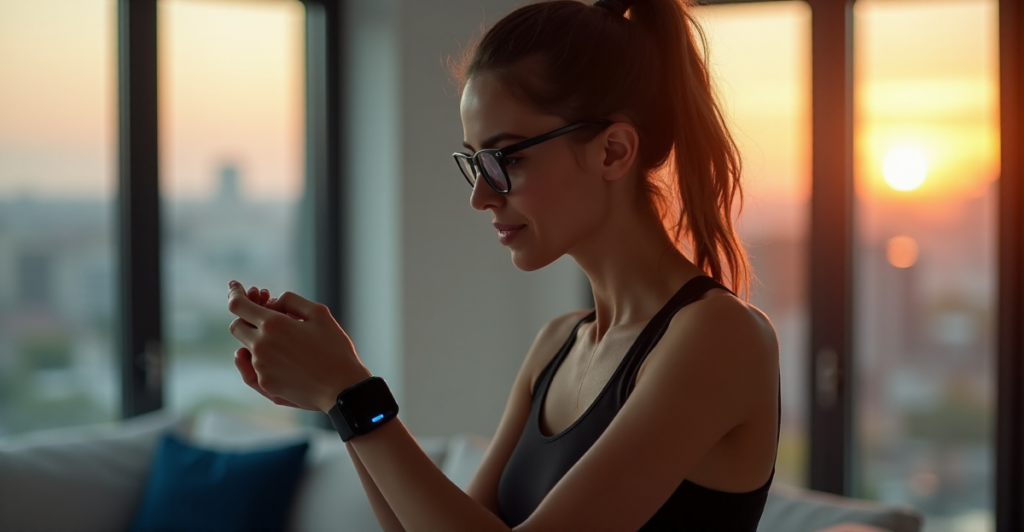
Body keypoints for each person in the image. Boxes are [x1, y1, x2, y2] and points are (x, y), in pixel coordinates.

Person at [226, 0, 780, 530]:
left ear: (613, 151)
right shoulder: (556, 344)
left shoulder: (719, 336)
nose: (481, 197)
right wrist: (339, 399)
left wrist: (351, 392)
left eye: (506, 157)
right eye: (475, 162)